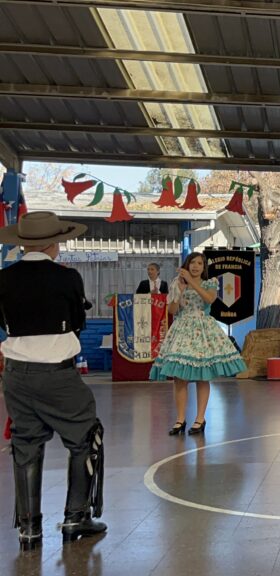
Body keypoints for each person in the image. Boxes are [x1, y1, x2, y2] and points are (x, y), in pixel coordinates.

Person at [0, 212, 106, 550]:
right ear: (52, 244)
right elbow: (77, 321)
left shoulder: (3, 278)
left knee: (26, 443)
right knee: (86, 437)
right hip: (57, 373)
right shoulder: (67, 277)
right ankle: (76, 517)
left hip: (16, 373)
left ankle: (29, 528)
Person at [151, 252, 246, 435]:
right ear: (187, 264)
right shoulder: (176, 283)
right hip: (182, 328)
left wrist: (191, 282)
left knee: (203, 375)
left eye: (200, 264)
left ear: (204, 267)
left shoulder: (210, 283)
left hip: (203, 329)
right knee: (179, 377)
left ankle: (200, 419)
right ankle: (180, 419)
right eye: (192, 263)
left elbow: (209, 299)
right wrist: (179, 291)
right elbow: (172, 310)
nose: (195, 266)